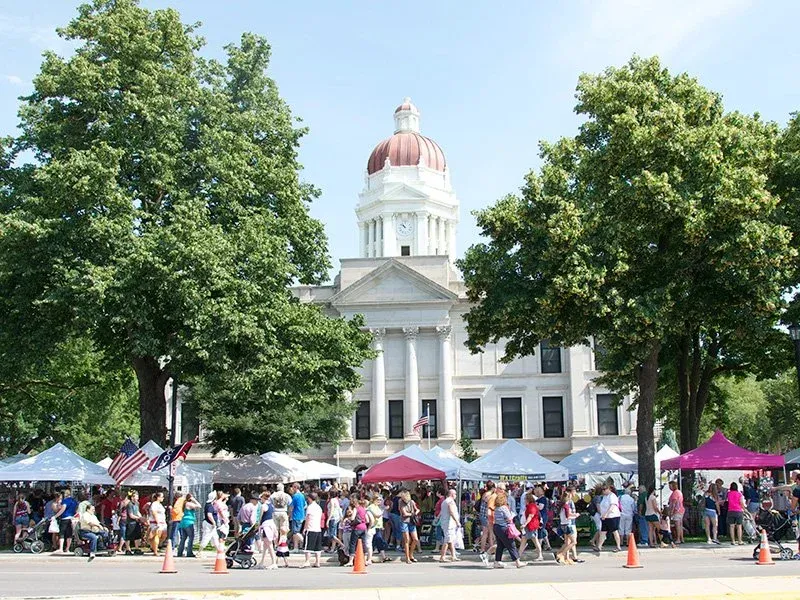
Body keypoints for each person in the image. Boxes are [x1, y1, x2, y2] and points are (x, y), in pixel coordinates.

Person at [489, 489, 523, 569]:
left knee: (500, 545)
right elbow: (509, 518)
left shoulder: (496, 508)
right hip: (504, 528)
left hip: (497, 527)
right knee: (511, 545)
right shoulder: (504, 508)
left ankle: (497, 561)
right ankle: (517, 562)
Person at [518, 488, 543, 561]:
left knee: (534, 540)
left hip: (531, 526)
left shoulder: (531, 506)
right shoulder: (531, 506)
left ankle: (540, 555)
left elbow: (530, 516)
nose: (524, 500)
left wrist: (524, 524)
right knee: (525, 540)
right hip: (530, 526)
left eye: (525, 499)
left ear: (528, 499)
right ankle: (518, 557)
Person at [555, 490, 579, 565]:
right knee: (574, 542)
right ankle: (561, 554)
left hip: (563, 524)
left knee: (567, 542)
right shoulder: (566, 506)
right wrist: (575, 515)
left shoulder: (562, 505)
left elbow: (566, 514)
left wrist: (573, 514)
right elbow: (568, 516)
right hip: (567, 525)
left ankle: (564, 556)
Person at [597, 484, 622, 553]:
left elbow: (612, 506)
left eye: (604, 489)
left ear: (609, 489)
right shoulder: (605, 496)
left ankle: (618, 546)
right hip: (605, 517)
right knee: (603, 531)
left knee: (614, 530)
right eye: (602, 490)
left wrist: (606, 514)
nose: (603, 491)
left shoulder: (612, 496)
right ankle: (599, 546)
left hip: (612, 516)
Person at [438, 488, 461, 563]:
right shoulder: (450, 501)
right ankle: (442, 557)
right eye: (455, 494)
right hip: (449, 523)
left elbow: (442, 512)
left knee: (450, 540)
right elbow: (451, 512)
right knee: (447, 540)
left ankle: (453, 556)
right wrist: (457, 521)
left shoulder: (445, 501)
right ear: (451, 494)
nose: (456, 495)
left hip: (446, 523)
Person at [301, 492, 323, 568]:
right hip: (318, 528)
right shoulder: (319, 507)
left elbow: (308, 518)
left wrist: (305, 528)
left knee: (308, 546)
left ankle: (307, 561)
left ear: (310, 498)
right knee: (318, 547)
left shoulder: (310, 507)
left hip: (311, 528)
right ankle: (317, 562)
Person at [398, 490, 420, 564]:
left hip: (411, 521)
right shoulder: (401, 502)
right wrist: (413, 514)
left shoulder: (412, 501)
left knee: (415, 539)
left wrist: (415, 512)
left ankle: (411, 554)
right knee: (407, 539)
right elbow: (404, 513)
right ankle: (407, 557)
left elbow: (417, 509)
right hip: (404, 521)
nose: (403, 498)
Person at [198, 491, 222, 558]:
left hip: (210, 524)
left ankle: (219, 551)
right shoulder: (210, 506)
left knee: (215, 538)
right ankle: (199, 552)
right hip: (209, 524)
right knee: (206, 537)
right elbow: (209, 515)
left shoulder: (207, 504)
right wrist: (214, 522)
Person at [478, 481, 497, 563]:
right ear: (492, 488)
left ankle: (489, 548)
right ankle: (485, 549)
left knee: (488, 532)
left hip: (484, 515)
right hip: (486, 516)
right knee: (487, 533)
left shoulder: (485, 494)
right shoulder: (489, 495)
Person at [177, 493, 200, 558]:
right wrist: (194, 500)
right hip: (189, 522)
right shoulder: (189, 504)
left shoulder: (184, 504)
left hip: (183, 522)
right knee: (191, 537)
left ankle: (180, 552)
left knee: (183, 538)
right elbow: (199, 506)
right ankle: (189, 552)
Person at [56, 488, 78, 554]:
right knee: (69, 534)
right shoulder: (74, 501)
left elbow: (62, 509)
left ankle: (61, 548)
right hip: (72, 518)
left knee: (62, 533)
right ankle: (67, 548)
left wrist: (55, 516)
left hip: (65, 518)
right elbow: (76, 509)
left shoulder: (65, 501)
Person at [148, 492, 167, 556]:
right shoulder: (154, 504)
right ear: (158, 497)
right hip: (156, 522)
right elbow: (154, 513)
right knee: (156, 536)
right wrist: (157, 521)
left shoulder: (160, 504)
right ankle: (155, 550)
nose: (163, 498)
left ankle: (155, 546)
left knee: (164, 535)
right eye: (162, 497)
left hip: (163, 522)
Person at [290, 483, 307, 551]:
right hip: (302, 515)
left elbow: (291, 507)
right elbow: (304, 505)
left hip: (296, 515)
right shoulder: (302, 496)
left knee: (295, 532)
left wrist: (289, 514)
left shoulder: (295, 496)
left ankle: (305, 542)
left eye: (293, 487)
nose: (292, 489)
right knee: (296, 532)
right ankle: (296, 547)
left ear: (296, 487)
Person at [433, 488, 445, 554]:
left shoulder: (442, 500)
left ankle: (437, 548)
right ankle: (439, 547)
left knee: (439, 532)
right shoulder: (441, 500)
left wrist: (437, 517)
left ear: (439, 492)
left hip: (440, 518)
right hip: (440, 517)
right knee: (440, 532)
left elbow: (442, 510)